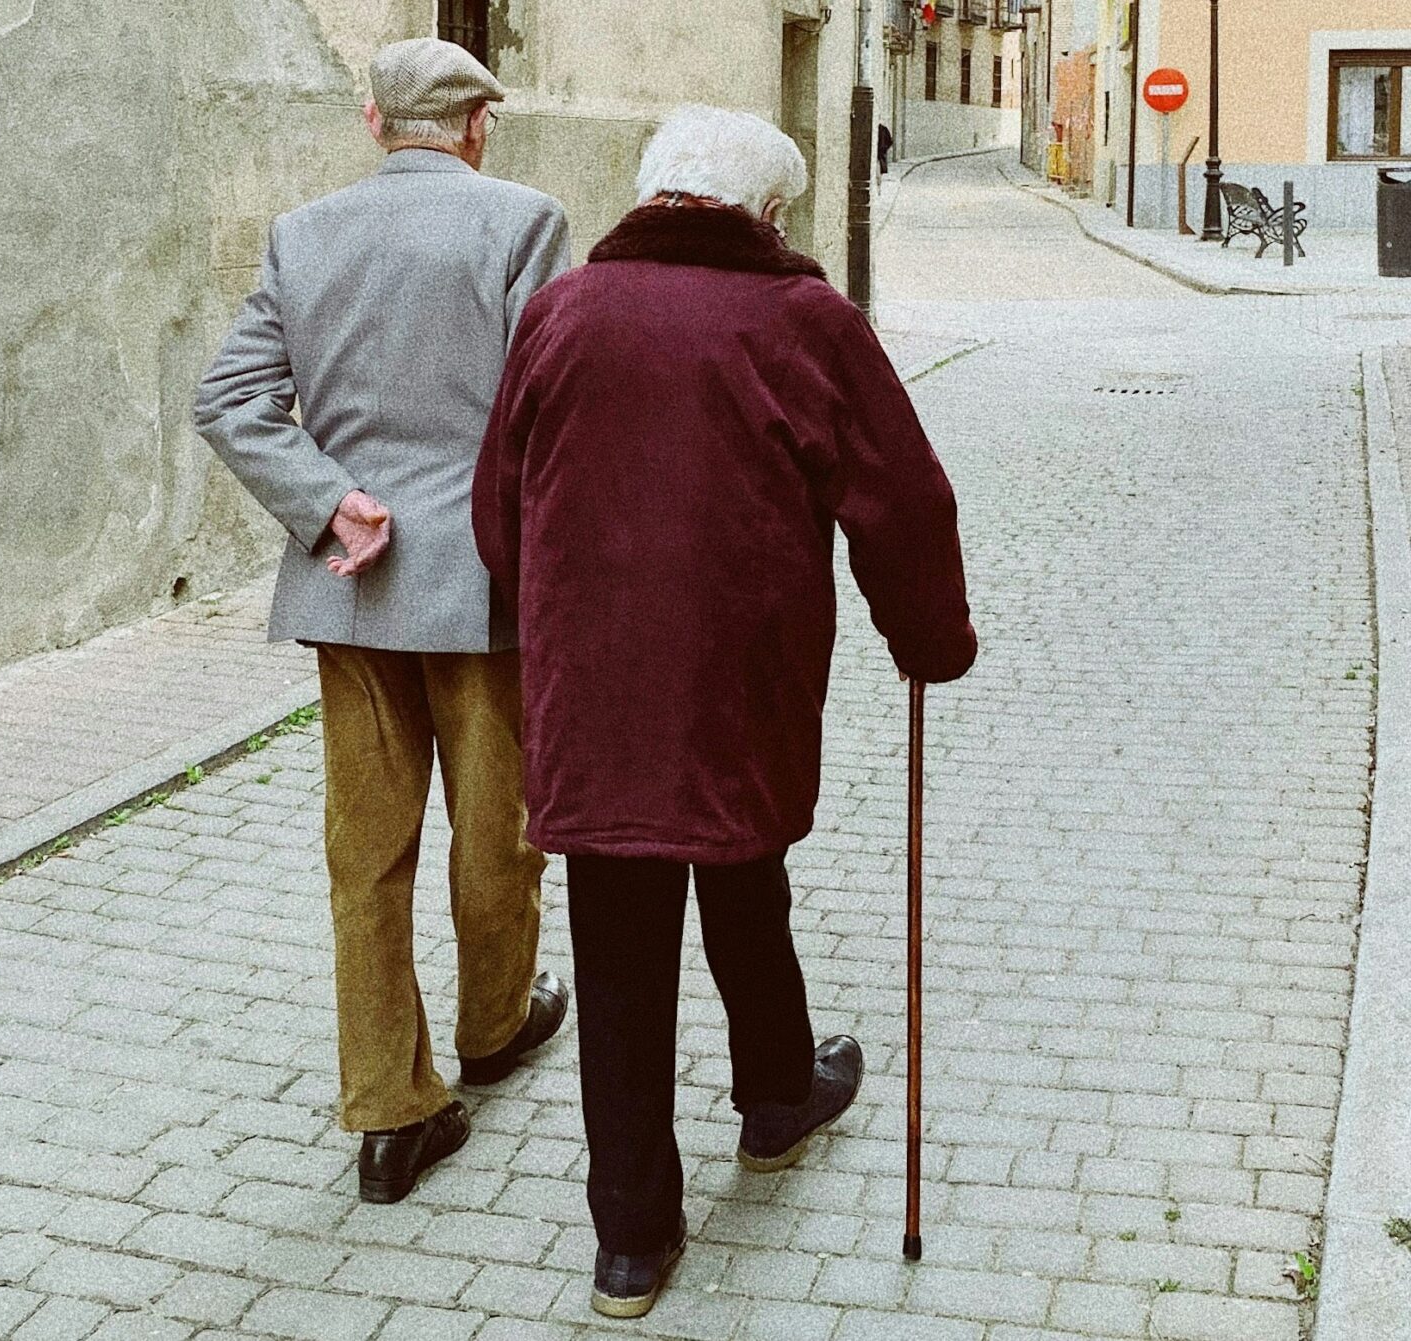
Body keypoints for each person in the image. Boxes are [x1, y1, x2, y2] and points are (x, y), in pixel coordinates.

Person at [473, 105, 977, 1318]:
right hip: (738, 672)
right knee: (745, 870)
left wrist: (550, 610)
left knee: (617, 936)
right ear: (763, 213)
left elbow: (498, 506)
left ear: (652, 196)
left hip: (592, 686)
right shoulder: (801, 317)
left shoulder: (562, 312)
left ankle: (632, 1242)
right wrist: (929, 641)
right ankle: (770, 1100)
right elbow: (901, 502)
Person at [195, 38, 573, 1206]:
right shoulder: (525, 221)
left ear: (371, 122)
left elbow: (227, 402)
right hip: (484, 585)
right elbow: (543, 404)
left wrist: (329, 500)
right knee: (495, 827)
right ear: (476, 126)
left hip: (351, 583)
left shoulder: (303, 231)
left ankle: (387, 1111)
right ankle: (493, 1026)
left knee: (364, 853)